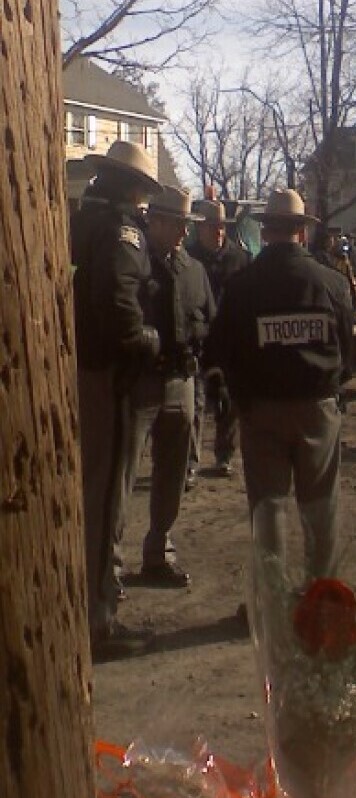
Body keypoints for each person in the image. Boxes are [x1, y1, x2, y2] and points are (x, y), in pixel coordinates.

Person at [204, 189, 354, 584]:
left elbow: (220, 348)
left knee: (268, 507)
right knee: (320, 507)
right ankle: (322, 598)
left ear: (266, 231)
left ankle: (270, 604)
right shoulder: (332, 284)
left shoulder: (242, 285)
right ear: (301, 233)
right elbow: (348, 349)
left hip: (261, 411)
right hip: (318, 409)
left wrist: (239, 393)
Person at [71, 140, 163, 656]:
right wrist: (149, 342)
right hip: (109, 375)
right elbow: (121, 306)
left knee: (92, 492)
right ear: (134, 187)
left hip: (83, 367)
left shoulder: (82, 221)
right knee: (106, 498)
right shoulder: (122, 232)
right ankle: (98, 619)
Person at [112, 186, 207, 589]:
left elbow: (205, 314)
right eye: (177, 224)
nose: (184, 233)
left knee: (172, 472)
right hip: (141, 381)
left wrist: (197, 338)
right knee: (122, 477)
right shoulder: (136, 260)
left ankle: (158, 552)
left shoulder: (193, 269)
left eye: (188, 225)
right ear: (157, 221)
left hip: (180, 379)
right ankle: (109, 566)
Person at [186, 200, 252, 484]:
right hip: (198, 339)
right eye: (212, 227)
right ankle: (190, 462)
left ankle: (224, 455)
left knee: (228, 402)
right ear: (199, 228)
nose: (218, 232)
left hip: (229, 339)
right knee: (195, 403)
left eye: (222, 227)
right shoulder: (188, 259)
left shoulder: (240, 259)